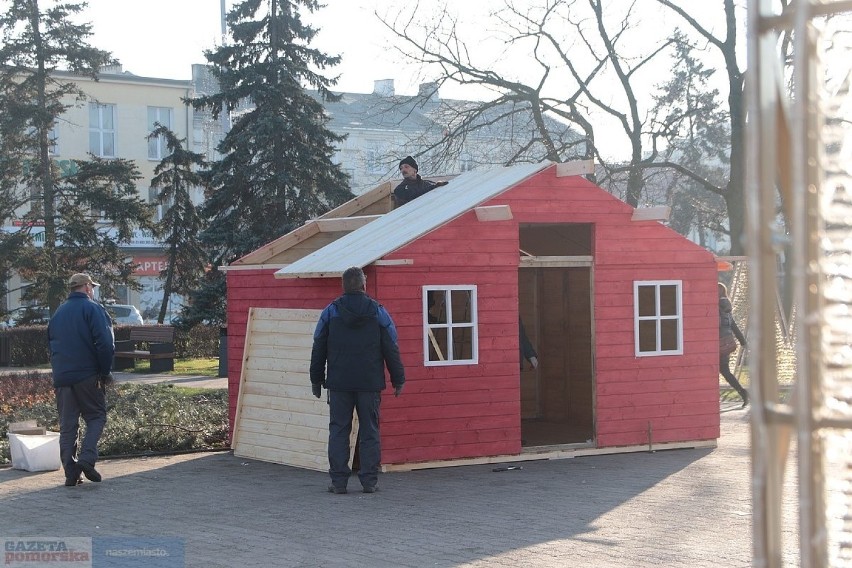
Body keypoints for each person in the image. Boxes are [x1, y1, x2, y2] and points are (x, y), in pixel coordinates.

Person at [309, 266, 405, 494]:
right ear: (364, 285)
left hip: (339, 382)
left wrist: (316, 379)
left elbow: (318, 346)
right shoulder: (379, 311)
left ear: (342, 286)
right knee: (370, 430)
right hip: (369, 382)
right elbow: (391, 346)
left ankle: (339, 482)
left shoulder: (330, 312)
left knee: (339, 430)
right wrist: (398, 378)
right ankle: (369, 482)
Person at [48, 273, 115, 487]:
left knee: (68, 425)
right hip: (88, 375)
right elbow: (106, 343)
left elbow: (50, 344)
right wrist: (104, 372)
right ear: (86, 287)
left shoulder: (58, 313)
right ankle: (86, 459)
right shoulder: (93, 308)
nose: (93, 290)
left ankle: (71, 473)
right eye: (92, 286)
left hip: (62, 377)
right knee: (96, 416)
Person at [718, 282, 748, 408]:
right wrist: (743, 341)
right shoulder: (727, 308)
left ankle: (743, 393)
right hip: (726, 344)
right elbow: (733, 325)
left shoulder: (717, 307)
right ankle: (743, 392)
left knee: (721, 371)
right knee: (725, 371)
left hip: (717, 345)